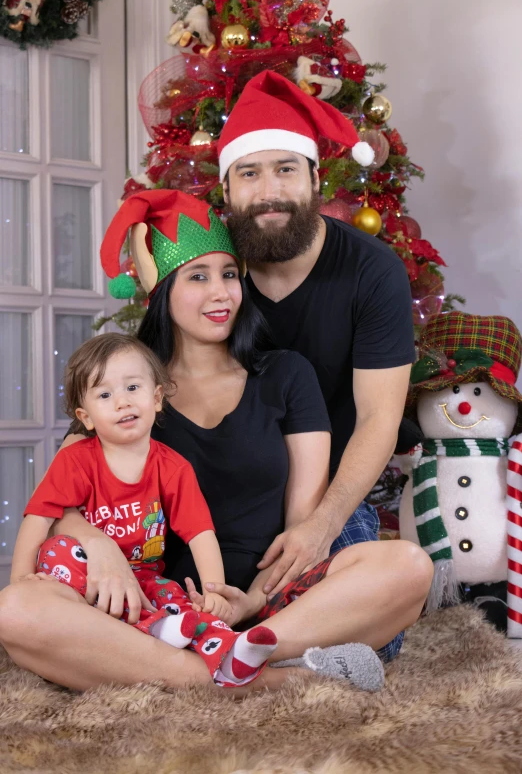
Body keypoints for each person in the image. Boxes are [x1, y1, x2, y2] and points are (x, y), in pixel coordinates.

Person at [0, 190, 432, 693]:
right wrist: (99, 547)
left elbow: (301, 526)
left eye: (229, 274)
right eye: (198, 277)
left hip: (269, 604)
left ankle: (217, 660)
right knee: (17, 611)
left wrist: (252, 598)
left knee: (407, 566)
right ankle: (258, 678)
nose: (221, 292)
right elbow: (62, 495)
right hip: (155, 610)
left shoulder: (286, 374)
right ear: (162, 291)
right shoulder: (131, 390)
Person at [218, 70, 421, 608]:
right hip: (229, 484)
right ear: (226, 189)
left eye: (286, 169)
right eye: (249, 173)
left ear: (314, 179)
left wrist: (321, 526)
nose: (269, 193)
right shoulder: (209, 274)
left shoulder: (372, 271)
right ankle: (263, 645)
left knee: (386, 601)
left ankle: (252, 646)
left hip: (331, 490)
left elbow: (379, 417)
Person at [10, 332, 278, 687]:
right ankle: (159, 631)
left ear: (156, 399)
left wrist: (214, 591)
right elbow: (39, 517)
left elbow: (200, 533)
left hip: (141, 578)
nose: (122, 402)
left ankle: (230, 652)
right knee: (62, 549)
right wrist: (20, 578)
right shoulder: (76, 460)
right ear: (86, 417)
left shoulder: (172, 467)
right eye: (105, 395)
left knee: (178, 599)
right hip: (83, 578)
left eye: (132, 389)